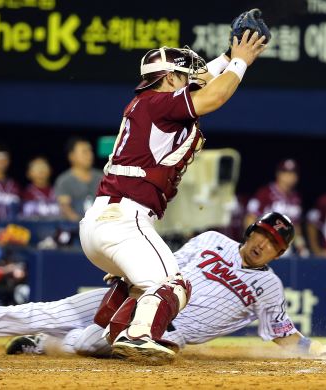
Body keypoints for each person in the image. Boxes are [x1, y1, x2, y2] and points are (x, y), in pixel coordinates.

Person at [78, 26, 268, 361]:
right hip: (125, 220)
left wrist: (228, 55)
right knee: (173, 286)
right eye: (181, 76)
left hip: (105, 221)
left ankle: (108, 334)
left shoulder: (149, 104)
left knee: (140, 287)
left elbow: (201, 78)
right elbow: (214, 95)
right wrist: (239, 63)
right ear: (167, 78)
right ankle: (138, 336)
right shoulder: (159, 105)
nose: (190, 80)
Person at [0, 212, 326, 360]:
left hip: (164, 329)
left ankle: (43, 345)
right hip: (142, 294)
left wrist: (319, 350)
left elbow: (283, 335)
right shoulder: (213, 239)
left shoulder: (269, 288)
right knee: (53, 309)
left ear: (279, 254)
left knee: (89, 342)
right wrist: (130, 274)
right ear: (251, 231)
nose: (264, 244)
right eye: (263, 234)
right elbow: (167, 265)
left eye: (274, 244)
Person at [245, 159, 308, 256]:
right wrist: (250, 239)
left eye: (292, 173)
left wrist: (301, 246)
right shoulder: (265, 193)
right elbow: (250, 217)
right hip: (263, 243)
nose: (289, 176)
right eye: (285, 172)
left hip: (283, 247)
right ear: (278, 174)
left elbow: (295, 226)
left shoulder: (296, 197)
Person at [53, 137, 103, 222]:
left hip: (100, 226)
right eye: (84, 152)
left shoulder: (102, 177)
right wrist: (82, 224)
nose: (89, 154)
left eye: (90, 151)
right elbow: (65, 209)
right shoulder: (64, 181)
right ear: (71, 156)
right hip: (75, 228)